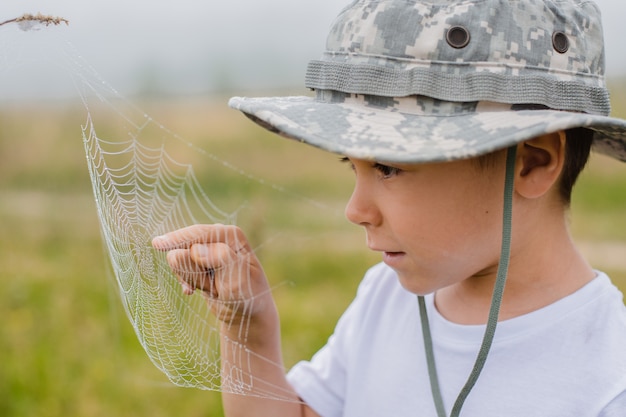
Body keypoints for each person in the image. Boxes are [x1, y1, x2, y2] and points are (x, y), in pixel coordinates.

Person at [151, 0, 626, 415]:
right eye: (351, 166)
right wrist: (247, 332)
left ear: (532, 163)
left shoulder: (607, 379)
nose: (355, 209)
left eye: (388, 167)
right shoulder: (387, 299)